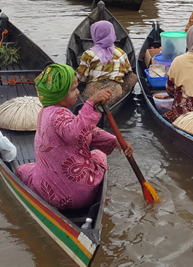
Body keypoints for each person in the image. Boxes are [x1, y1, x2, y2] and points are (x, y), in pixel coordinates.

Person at [16, 63, 130, 211]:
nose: (77, 93)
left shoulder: (45, 113)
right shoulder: (59, 115)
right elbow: (76, 133)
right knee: (99, 154)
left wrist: (114, 140)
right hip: (81, 194)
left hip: (51, 195)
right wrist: (90, 103)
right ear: (59, 95)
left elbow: (84, 130)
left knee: (21, 170)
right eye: (73, 90)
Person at [75, 20, 137, 105]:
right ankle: (120, 98)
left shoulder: (88, 54)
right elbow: (128, 72)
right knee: (132, 77)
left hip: (92, 94)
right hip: (114, 93)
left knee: (77, 82)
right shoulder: (121, 53)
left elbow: (81, 78)